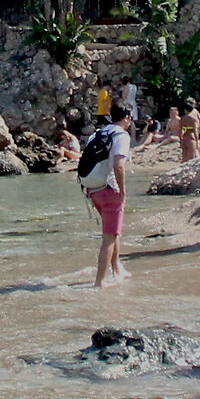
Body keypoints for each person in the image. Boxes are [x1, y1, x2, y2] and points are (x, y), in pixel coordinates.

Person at [81, 109, 134, 288]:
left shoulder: (98, 133)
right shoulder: (122, 135)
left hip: (93, 189)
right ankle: (100, 282)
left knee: (113, 231)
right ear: (126, 117)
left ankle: (116, 269)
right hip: (110, 189)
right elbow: (119, 165)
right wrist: (123, 191)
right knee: (109, 237)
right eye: (131, 118)